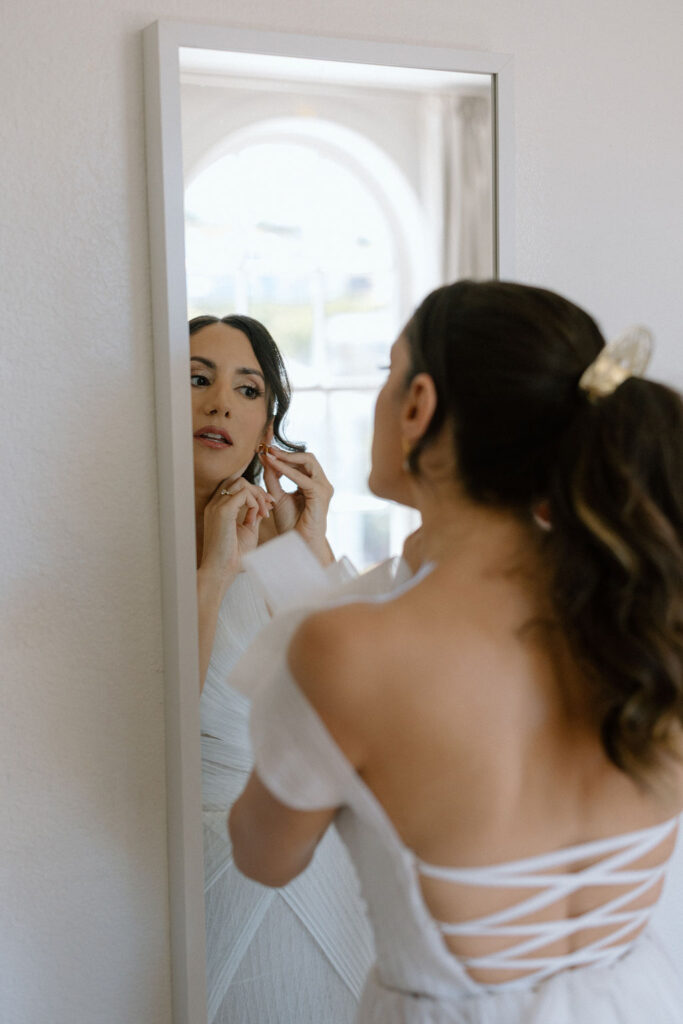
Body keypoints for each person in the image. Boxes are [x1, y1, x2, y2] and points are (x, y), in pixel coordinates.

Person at [228, 281, 683, 1022]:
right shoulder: (654, 610)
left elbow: (263, 856)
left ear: (418, 406)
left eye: (386, 371)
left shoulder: (347, 652)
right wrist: (305, 565)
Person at [192, 314, 375, 1023]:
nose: (219, 405)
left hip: (314, 858)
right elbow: (153, 724)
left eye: (247, 388)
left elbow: (353, 706)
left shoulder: (280, 532)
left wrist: (313, 544)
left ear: (268, 418)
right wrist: (213, 568)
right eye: (197, 379)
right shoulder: (129, 533)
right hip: (200, 864)